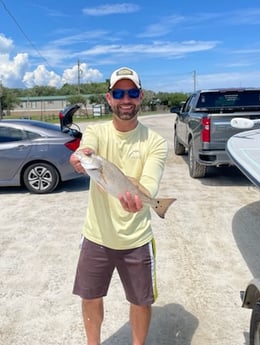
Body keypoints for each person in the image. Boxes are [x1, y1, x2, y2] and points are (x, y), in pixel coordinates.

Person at [70, 66, 168, 345]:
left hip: (137, 238)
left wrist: (142, 199)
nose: (126, 99)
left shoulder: (155, 142)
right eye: (119, 93)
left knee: (140, 301)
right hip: (96, 236)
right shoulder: (96, 132)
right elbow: (85, 152)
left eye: (132, 92)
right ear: (109, 98)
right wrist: (78, 159)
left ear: (141, 96)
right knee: (90, 296)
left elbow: (148, 183)